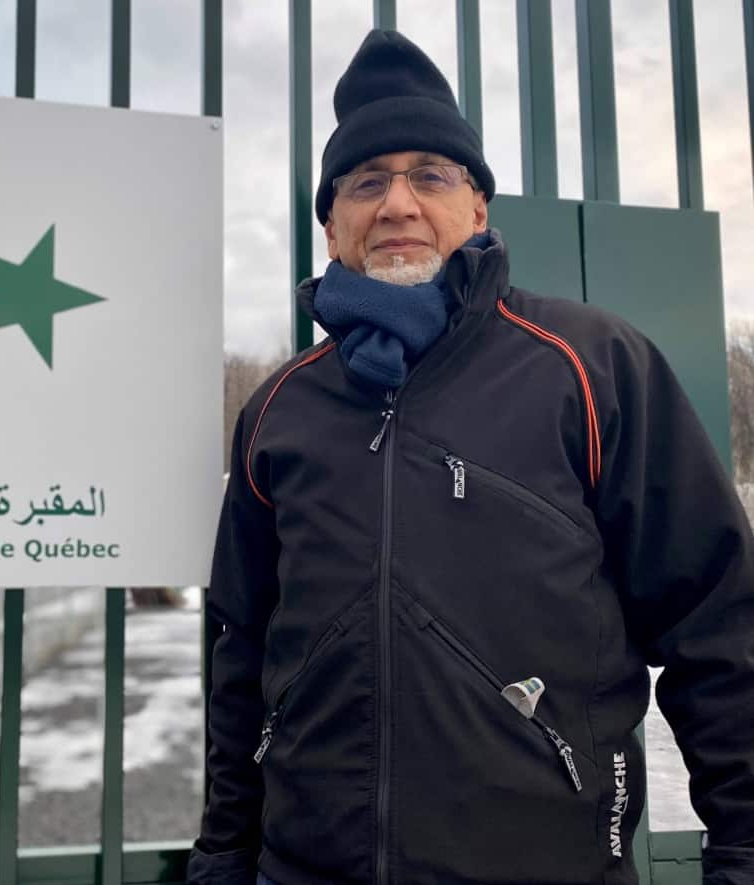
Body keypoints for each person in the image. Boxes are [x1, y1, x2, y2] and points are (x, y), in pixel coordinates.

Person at [187, 29, 754, 885]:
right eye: (366, 181)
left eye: (431, 175)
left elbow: (719, 624)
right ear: (333, 226)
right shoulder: (280, 409)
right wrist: (224, 857)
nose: (399, 203)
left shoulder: (590, 366)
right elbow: (240, 652)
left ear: (479, 209)